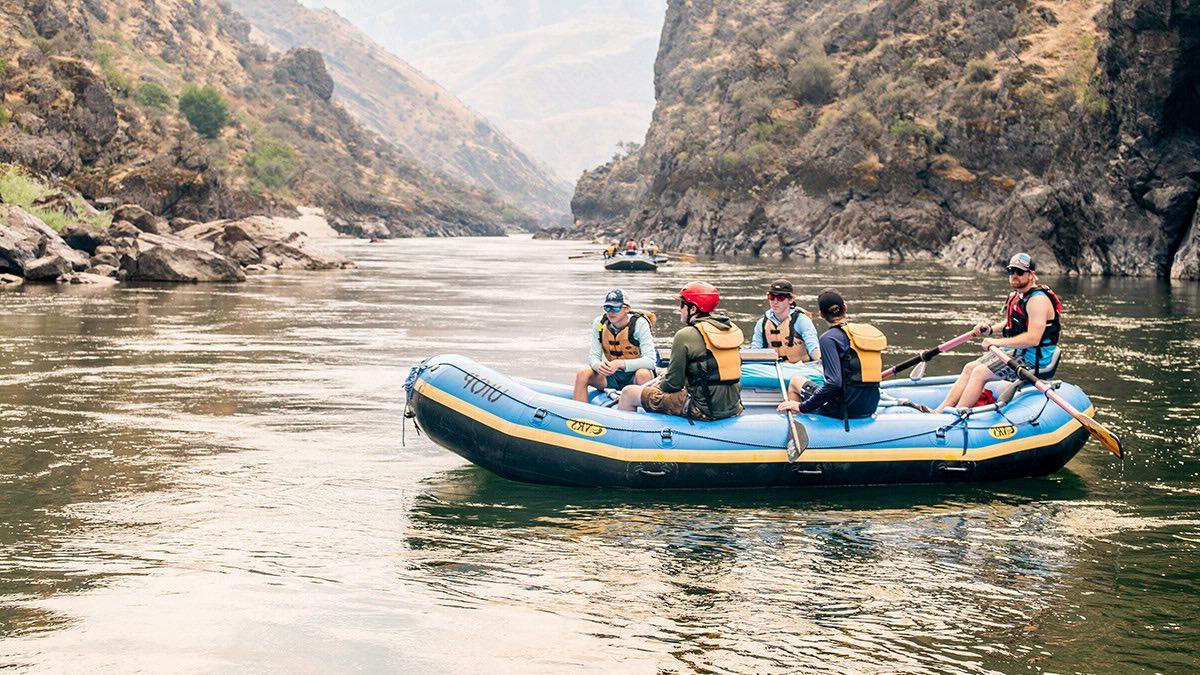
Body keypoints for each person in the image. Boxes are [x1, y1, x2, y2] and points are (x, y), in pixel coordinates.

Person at [932, 252, 1062, 413]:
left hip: (1034, 358)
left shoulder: (1038, 300)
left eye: (1020, 272)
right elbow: (1013, 323)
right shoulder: (1019, 296)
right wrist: (991, 330)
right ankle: (940, 411)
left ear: (1031, 275)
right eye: (1011, 271)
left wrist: (996, 342)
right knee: (969, 367)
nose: (1014, 275)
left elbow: (1033, 338)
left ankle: (957, 414)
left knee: (979, 373)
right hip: (1018, 352)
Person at [617, 282, 744, 421]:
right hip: (732, 407)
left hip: (702, 409)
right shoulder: (730, 328)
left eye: (682, 305)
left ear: (693, 309)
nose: (680, 309)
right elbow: (710, 368)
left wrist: (659, 385)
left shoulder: (686, 334)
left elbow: (673, 385)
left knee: (628, 393)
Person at [778, 289, 885, 430]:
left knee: (795, 381)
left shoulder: (829, 338)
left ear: (821, 315)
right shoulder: (859, 336)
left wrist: (802, 406)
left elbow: (834, 383)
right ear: (845, 308)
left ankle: (798, 425)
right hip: (869, 406)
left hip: (844, 409)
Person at [573, 289, 658, 402]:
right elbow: (593, 357)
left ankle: (646, 413)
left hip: (634, 377)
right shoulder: (599, 323)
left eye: (616, 308)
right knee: (582, 374)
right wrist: (598, 366)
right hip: (611, 376)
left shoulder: (640, 324)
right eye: (607, 308)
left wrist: (619, 364)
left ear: (627, 308)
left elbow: (651, 362)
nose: (611, 312)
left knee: (643, 374)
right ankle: (579, 416)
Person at [751, 279, 821, 363]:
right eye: (772, 297)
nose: (775, 302)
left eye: (780, 298)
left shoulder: (802, 321)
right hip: (771, 370)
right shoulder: (762, 323)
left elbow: (813, 347)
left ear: (791, 300)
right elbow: (755, 349)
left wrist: (820, 360)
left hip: (801, 368)